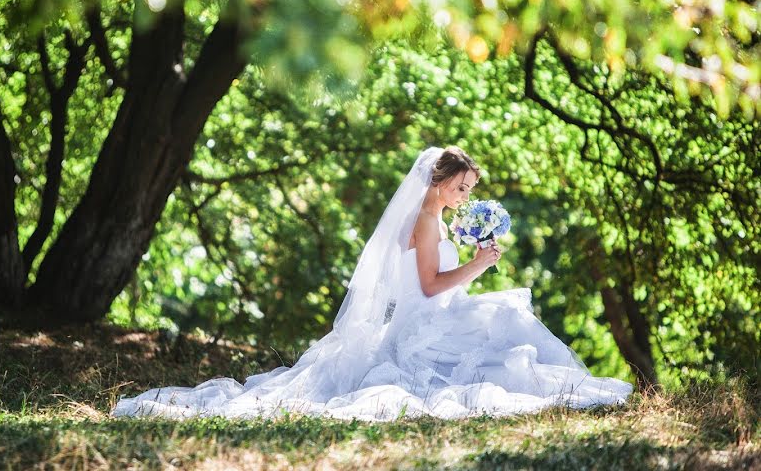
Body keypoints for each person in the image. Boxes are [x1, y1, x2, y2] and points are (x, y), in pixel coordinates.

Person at [112, 146, 633, 421]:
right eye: (459, 186)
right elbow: (430, 287)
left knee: (504, 321)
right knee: (507, 318)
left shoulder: (432, 220)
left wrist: (473, 254)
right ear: (436, 180)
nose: (463, 195)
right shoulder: (426, 222)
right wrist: (481, 265)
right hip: (426, 321)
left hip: (434, 315)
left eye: (470, 189)